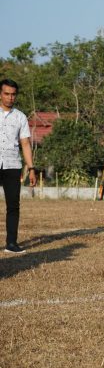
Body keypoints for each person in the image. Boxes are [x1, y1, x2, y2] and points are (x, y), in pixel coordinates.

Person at [0, 79, 37, 253]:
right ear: (0, 94)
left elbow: (25, 144)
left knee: (13, 205)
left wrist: (31, 168)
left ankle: (11, 243)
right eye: (6, 93)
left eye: (13, 94)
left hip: (12, 165)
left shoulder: (21, 117)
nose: (10, 97)